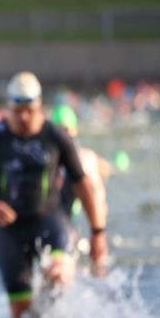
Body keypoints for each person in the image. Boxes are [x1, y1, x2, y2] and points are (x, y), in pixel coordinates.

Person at [0, 72, 108, 318]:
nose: (24, 117)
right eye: (17, 111)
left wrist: (98, 232)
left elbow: (84, 185)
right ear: (8, 107)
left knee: (58, 274)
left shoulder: (57, 137)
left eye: (29, 110)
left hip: (50, 221)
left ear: (39, 106)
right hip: (9, 231)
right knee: (21, 314)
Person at [49, 104, 111, 265]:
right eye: (60, 131)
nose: (63, 137)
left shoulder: (85, 159)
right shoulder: (85, 158)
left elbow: (98, 199)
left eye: (65, 131)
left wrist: (98, 233)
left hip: (68, 227)